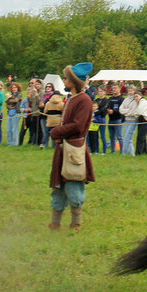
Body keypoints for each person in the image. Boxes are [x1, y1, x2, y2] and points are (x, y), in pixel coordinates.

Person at [49, 63, 95, 231]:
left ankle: (76, 224)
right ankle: (55, 223)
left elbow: (77, 126)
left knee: (74, 184)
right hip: (63, 149)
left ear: (74, 81)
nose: (64, 80)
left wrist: (56, 132)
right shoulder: (71, 98)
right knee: (59, 185)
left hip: (74, 148)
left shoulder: (84, 100)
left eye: (66, 78)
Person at [43, 84, 66, 149]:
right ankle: (54, 146)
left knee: (47, 133)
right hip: (58, 121)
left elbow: (45, 111)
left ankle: (45, 145)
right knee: (55, 134)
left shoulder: (48, 103)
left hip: (50, 120)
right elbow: (64, 112)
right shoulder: (62, 104)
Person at [119, 86, 140, 156]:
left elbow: (134, 111)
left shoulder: (136, 100)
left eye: (132, 91)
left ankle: (124, 153)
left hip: (133, 120)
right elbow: (121, 109)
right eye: (129, 91)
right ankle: (131, 153)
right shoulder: (126, 100)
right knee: (127, 137)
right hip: (126, 120)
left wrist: (126, 111)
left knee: (128, 137)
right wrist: (127, 111)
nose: (130, 92)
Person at [103, 84, 123, 152]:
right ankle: (113, 151)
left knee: (119, 136)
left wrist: (113, 111)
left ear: (119, 89)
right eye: (113, 88)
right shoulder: (110, 98)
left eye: (115, 88)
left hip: (118, 119)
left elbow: (122, 110)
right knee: (112, 137)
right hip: (111, 119)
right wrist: (107, 110)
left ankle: (122, 151)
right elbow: (107, 107)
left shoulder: (121, 99)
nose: (114, 90)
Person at [133, 88, 147, 156]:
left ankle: (139, 152)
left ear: (140, 96)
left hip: (145, 121)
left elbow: (139, 112)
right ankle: (144, 151)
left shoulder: (143, 102)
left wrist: (133, 114)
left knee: (140, 137)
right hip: (141, 120)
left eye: (137, 96)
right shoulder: (139, 102)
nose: (136, 98)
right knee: (142, 137)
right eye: (134, 97)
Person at [5, 82, 23, 146]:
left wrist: (10, 97)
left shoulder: (19, 94)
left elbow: (16, 100)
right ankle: (10, 143)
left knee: (14, 129)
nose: (14, 89)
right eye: (12, 88)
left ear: (18, 88)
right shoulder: (12, 94)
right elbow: (7, 102)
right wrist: (8, 106)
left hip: (16, 113)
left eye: (15, 87)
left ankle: (15, 143)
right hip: (10, 112)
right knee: (8, 129)